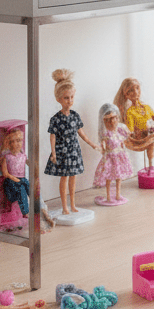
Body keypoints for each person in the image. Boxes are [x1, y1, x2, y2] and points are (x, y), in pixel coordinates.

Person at [44, 68, 98, 216]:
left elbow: (81, 133)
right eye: (66, 98)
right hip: (62, 152)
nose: (70, 101)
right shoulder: (56, 119)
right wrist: (53, 153)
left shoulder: (75, 116)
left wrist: (92, 144)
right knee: (64, 178)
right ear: (59, 99)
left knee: (73, 178)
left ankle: (73, 204)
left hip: (74, 151)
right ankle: (64, 206)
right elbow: (52, 136)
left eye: (72, 97)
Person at [113, 77, 154, 169]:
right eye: (131, 90)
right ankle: (151, 166)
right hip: (141, 136)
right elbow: (130, 129)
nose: (136, 92)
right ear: (126, 95)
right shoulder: (130, 112)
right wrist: (131, 132)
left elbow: (153, 117)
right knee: (152, 142)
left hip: (151, 132)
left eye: (137, 88)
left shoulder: (146, 107)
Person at [92, 102, 136, 205]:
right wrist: (103, 149)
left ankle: (118, 194)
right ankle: (108, 196)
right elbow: (103, 146)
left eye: (115, 118)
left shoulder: (120, 130)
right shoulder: (106, 134)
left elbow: (127, 138)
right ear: (104, 121)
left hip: (119, 157)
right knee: (108, 177)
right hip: (110, 158)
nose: (112, 122)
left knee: (118, 177)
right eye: (108, 120)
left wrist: (131, 137)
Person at [0, 126, 29, 216]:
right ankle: (25, 212)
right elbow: (5, 173)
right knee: (21, 190)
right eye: (13, 141)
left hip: (22, 179)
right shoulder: (7, 157)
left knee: (31, 187)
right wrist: (14, 178)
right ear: (9, 143)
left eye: (19, 140)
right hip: (10, 181)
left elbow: (29, 163)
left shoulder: (23, 155)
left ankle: (38, 206)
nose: (17, 144)